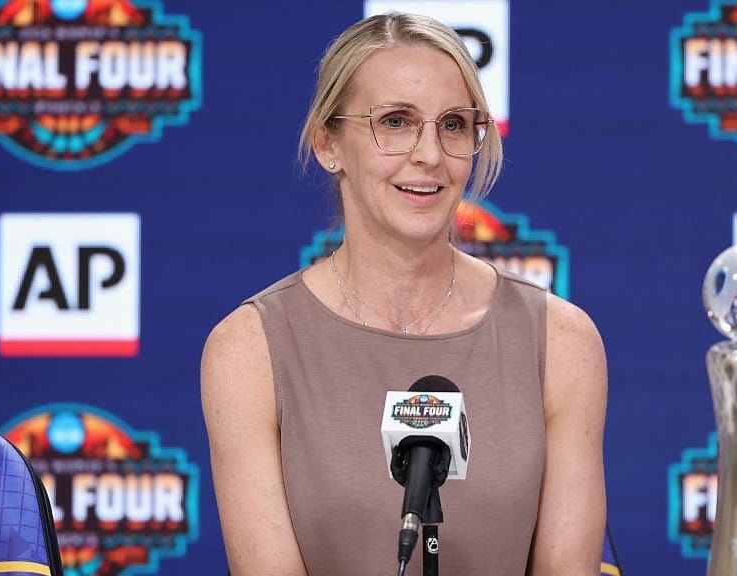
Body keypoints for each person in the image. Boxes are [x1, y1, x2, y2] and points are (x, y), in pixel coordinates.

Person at [200, 11, 608, 576]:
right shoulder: (248, 349)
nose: (430, 155)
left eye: (453, 125)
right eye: (395, 122)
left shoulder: (562, 342)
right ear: (327, 143)